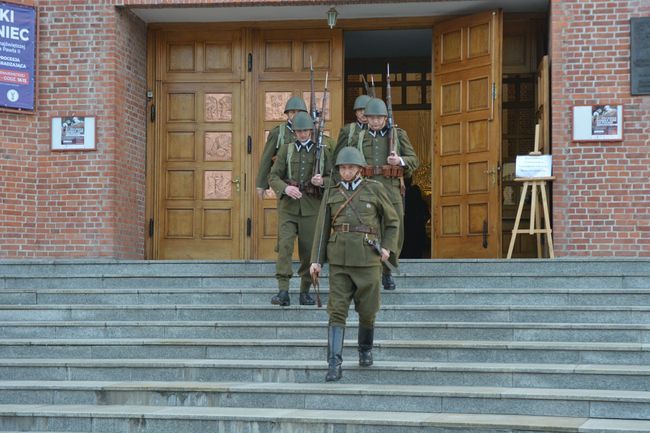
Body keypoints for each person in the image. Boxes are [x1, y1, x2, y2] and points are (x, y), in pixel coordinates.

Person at [310, 147, 399, 382]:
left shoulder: (375, 189)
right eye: (342, 168)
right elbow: (322, 228)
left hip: (368, 260)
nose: (346, 172)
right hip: (339, 260)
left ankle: (365, 349)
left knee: (368, 311)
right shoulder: (332, 191)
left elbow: (392, 222)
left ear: (360, 169)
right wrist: (316, 261)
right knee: (337, 311)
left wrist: (388, 248)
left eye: (351, 168)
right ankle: (333, 363)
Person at [336, 97, 419, 290]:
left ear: (385, 117)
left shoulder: (397, 135)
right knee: (368, 230)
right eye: (371, 117)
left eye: (379, 117)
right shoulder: (359, 137)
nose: (374, 121)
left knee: (395, 230)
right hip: (367, 189)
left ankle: (388, 271)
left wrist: (399, 161)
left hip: (391, 188)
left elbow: (414, 160)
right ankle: (370, 271)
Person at [268, 111, 331, 306]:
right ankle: (283, 290)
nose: (302, 134)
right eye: (299, 131)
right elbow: (273, 176)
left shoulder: (322, 150)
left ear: (311, 131)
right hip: (289, 207)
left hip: (312, 207)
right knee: (285, 247)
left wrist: (322, 181)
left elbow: (335, 178)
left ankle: (305, 290)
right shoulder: (286, 150)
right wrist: (285, 188)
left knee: (308, 251)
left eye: (306, 130)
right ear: (293, 132)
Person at [256, 96, 308, 199]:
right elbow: (266, 159)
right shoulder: (278, 133)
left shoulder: (311, 131)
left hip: (308, 185)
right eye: (293, 112)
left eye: (299, 112)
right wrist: (261, 185)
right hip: (286, 184)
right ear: (287, 114)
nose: (296, 115)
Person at [332, 94, 371, 168]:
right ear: (356, 113)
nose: (363, 112)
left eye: (365, 109)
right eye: (359, 110)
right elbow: (338, 157)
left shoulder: (376, 130)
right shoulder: (347, 131)